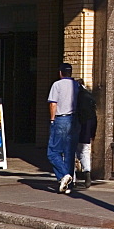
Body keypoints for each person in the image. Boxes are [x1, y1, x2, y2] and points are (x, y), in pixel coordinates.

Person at [47, 63, 79, 194]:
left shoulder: (57, 85)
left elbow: (53, 104)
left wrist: (52, 119)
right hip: (74, 119)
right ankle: (67, 185)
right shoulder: (77, 85)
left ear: (61, 72)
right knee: (69, 153)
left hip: (61, 119)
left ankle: (63, 175)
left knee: (53, 152)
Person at [75, 79, 97, 190]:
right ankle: (87, 173)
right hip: (87, 128)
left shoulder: (75, 95)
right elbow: (94, 116)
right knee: (84, 151)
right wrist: (93, 132)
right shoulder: (90, 97)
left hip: (76, 127)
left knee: (70, 153)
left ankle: (72, 179)